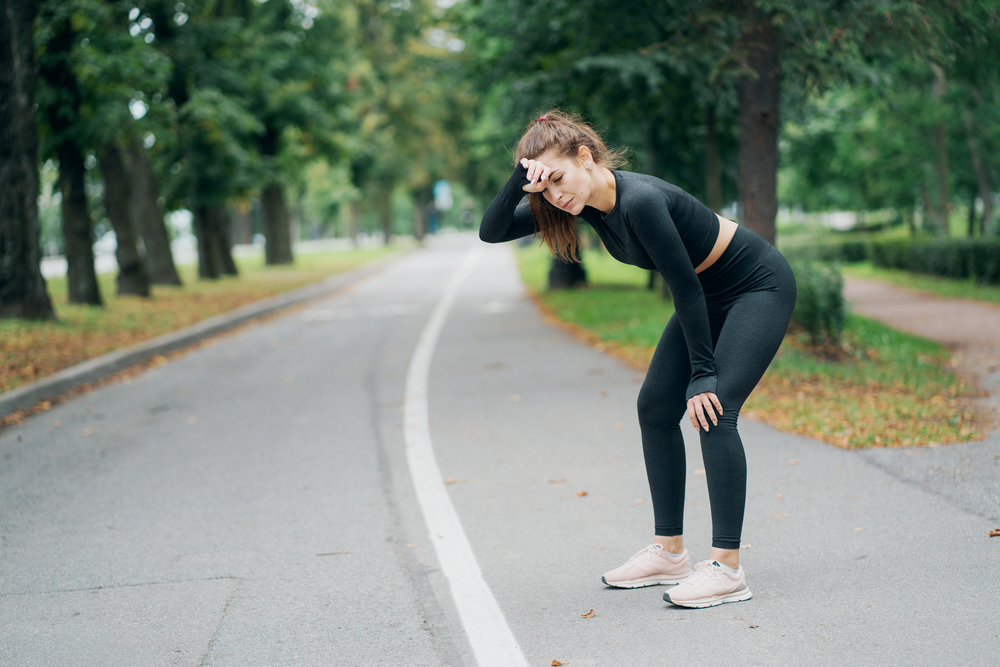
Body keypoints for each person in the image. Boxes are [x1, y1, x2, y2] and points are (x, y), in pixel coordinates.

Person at [479, 110, 796, 609]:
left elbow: (685, 287)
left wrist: (702, 374)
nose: (555, 194)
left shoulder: (641, 201)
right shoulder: (578, 204)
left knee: (714, 409)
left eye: (558, 177)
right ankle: (670, 553)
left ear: (586, 156)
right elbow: (491, 231)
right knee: (654, 408)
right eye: (546, 187)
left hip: (755, 286)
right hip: (708, 295)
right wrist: (522, 181)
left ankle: (728, 568)